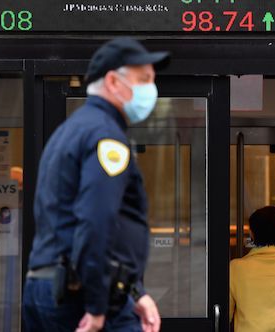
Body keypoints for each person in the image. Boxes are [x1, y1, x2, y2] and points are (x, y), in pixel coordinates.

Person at [23, 37, 169, 332]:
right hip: (79, 297)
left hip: (47, 285)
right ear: (114, 82)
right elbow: (96, 221)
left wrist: (135, 293)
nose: (150, 90)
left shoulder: (71, 131)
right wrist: (98, 306)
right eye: (143, 79)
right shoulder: (105, 137)